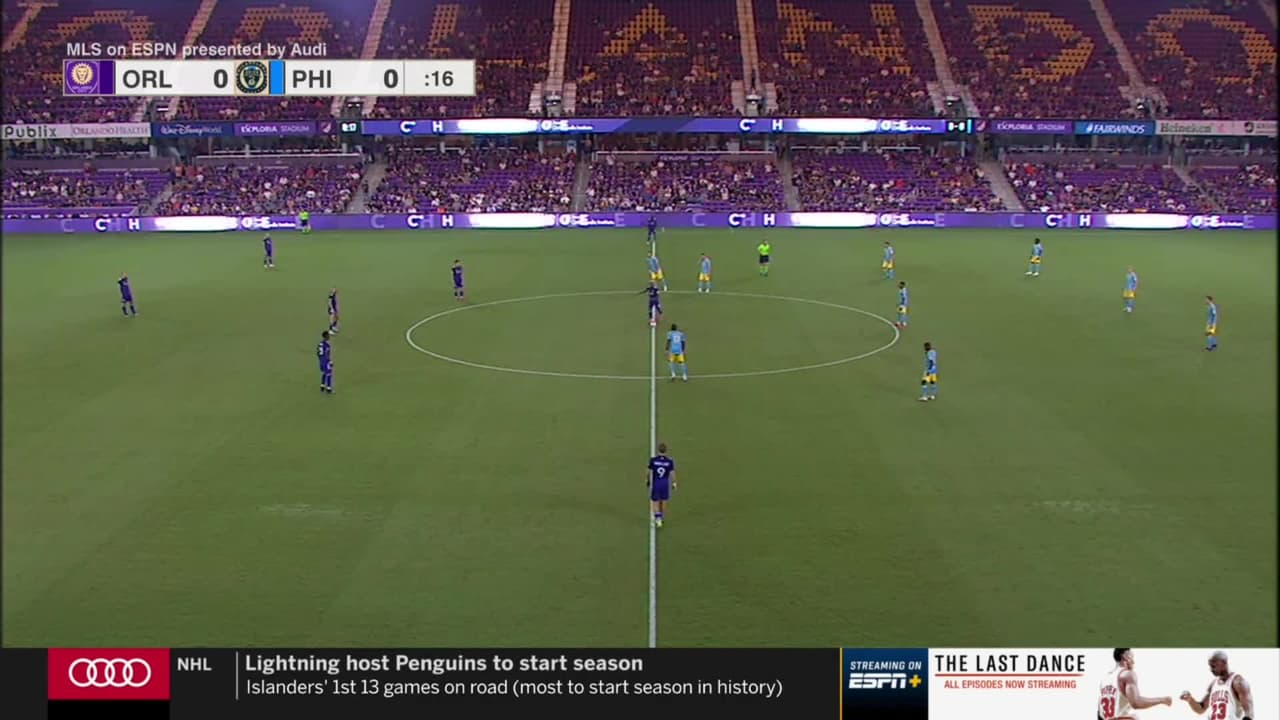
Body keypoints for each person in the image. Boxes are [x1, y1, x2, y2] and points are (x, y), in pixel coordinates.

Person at [1098, 648, 1172, 720]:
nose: (1133, 661)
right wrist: (1162, 700)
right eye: (1132, 657)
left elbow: (1099, 714)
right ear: (1125, 657)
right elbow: (1136, 703)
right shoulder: (1127, 674)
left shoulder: (1105, 679)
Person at [1180, 651, 1254, 720]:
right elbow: (1201, 709)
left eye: (1213, 666)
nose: (1211, 669)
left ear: (1224, 662)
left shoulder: (1238, 682)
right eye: (1210, 666)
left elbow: (1249, 713)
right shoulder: (1213, 685)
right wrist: (1190, 700)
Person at [647, 442, 676, 528]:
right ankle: (661, 516)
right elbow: (672, 473)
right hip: (665, 484)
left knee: (655, 502)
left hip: (656, 484)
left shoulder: (653, 460)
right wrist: (674, 483)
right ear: (666, 450)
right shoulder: (669, 461)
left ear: (658, 450)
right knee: (664, 501)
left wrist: (647, 480)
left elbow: (648, 471)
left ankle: (658, 518)